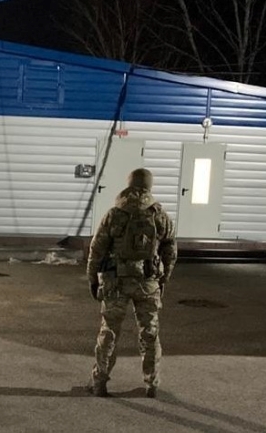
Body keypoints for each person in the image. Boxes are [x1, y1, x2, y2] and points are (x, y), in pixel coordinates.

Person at [86, 168, 177, 399]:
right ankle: (151, 383)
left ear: (128, 185)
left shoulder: (115, 213)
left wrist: (92, 278)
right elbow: (170, 249)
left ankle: (99, 383)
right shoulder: (159, 215)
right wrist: (164, 278)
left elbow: (96, 249)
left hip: (116, 282)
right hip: (148, 283)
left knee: (109, 331)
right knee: (150, 333)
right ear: (149, 186)